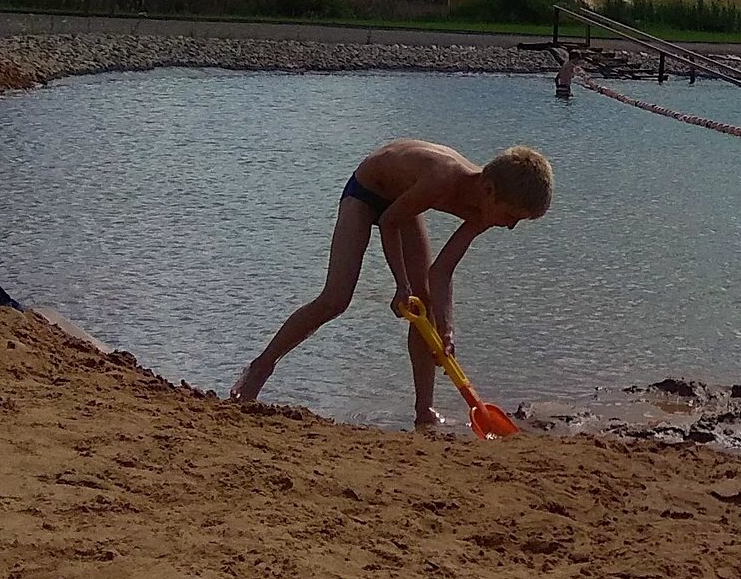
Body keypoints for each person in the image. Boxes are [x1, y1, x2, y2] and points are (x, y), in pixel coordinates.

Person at [227, 140, 553, 424]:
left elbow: (441, 271)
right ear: (490, 191)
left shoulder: (483, 210)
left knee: (425, 306)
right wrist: (401, 285)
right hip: (367, 192)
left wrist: (447, 327)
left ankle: (424, 409)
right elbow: (388, 221)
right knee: (335, 299)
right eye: (512, 217)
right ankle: (261, 366)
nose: (510, 227)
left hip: (404, 201)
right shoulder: (442, 179)